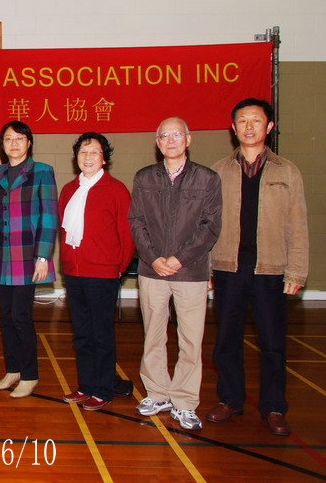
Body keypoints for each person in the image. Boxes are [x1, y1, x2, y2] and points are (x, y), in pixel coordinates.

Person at [206, 98, 308, 436]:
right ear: (233, 128)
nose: (249, 127)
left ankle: (274, 407)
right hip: (228, 268)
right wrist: (206, 268)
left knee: (273, 344)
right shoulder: (219, 171)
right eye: (242, 121)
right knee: (226, 341)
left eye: (256, 120)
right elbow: (208, 224)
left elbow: (298, 225)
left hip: (271, 271)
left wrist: (296, 271)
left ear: (269, 127)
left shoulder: (287, 171)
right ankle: (230, 399)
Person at [128, 118, 221, 431]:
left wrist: (179, 259)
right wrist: (153, 258)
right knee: (153, 336)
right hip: (151, 271)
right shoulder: (143, 178)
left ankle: (184, 401)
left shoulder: (207, 179)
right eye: (164, 135)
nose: (170, 140)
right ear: (157, 142)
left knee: (190, 341)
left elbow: (210, 226)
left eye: (177, 135)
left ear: (188, 139)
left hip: (191, 273)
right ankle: (157, 394)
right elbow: (136, 221)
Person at [0, 121, 57, 398]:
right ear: (1, 145)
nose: (13, 143)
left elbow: (49, 216)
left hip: (28, 255)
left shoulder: (42, 171)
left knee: (20, 316)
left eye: (19, 138)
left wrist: (42, 256)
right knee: (5, 317)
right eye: (8, 139)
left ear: (29, 142)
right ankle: (12, 369)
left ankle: (29, 375)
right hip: (3, 254)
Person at [59, 132, 134, 411]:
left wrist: (118, 267)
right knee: (81, 334)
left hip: (103, 274)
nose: (88, 157)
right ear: (76, 157)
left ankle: (103, 389)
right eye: (83, 152)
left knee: (101, 334)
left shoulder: (116, 190)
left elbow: (127, 235)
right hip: (74, 274)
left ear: (104, 159)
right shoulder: (69, 190)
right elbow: (63, 231)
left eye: (94, 152)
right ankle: (86, 385)